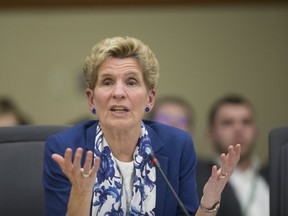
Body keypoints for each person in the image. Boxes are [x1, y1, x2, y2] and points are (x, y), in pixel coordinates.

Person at [43, 36, 241, 216]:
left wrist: (208, 202)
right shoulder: (65, 149)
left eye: (131, 82)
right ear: (91, 99)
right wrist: (81, 193)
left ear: (150, 99)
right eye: (107, 82)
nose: (119, 93)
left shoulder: (177, 146)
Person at [196, 95, 269, 216]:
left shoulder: (276, 174)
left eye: (246, 122)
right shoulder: (196, 176)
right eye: (228, 123)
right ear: (210, 134)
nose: (239, 128)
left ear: (255, 132)